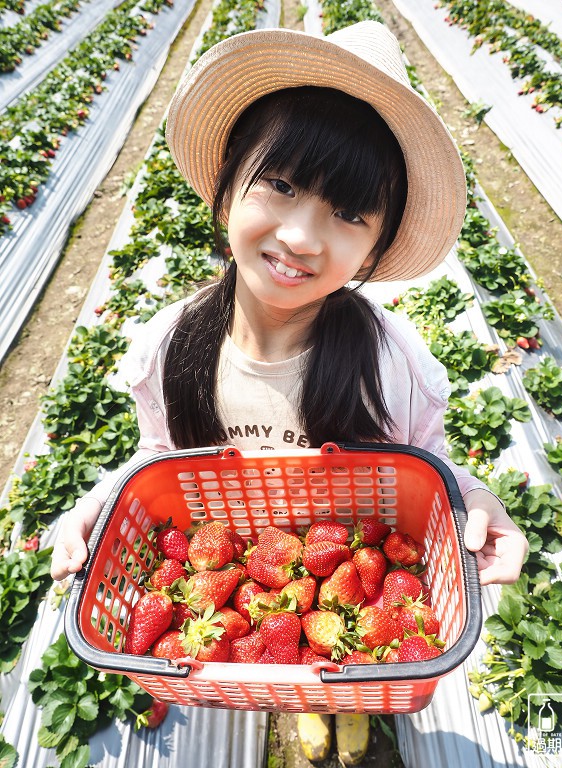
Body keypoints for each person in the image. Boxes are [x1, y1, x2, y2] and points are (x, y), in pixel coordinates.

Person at [51, 21, 528, 765]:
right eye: (280, 184)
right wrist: (100, 504)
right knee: (294, 657)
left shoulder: (392, 365)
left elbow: (425, 473)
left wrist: (478, 505)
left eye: (348, 213)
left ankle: (342, 704)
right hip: (259, 571)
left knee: (336, 659)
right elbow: (160, 458)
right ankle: (305, 696)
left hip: (337, 577)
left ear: (376, 248)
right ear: (225, 187)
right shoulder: (169, 348)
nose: (303, 235)